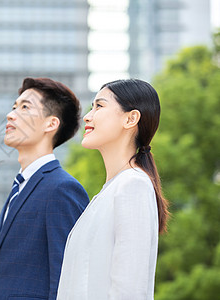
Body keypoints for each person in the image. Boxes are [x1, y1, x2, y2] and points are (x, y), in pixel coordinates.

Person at [57, 79, 170, 300]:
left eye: (99, 106)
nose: (88, 116)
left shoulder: (133, 186)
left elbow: (129, 289)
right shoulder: (108, 193)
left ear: (131, 118)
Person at [0, 78, 89, 300]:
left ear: (51, 124)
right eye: (14, 107)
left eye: (24, 107)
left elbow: (67, 278)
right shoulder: (18, 189)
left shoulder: (62, 189)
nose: (11, 115)